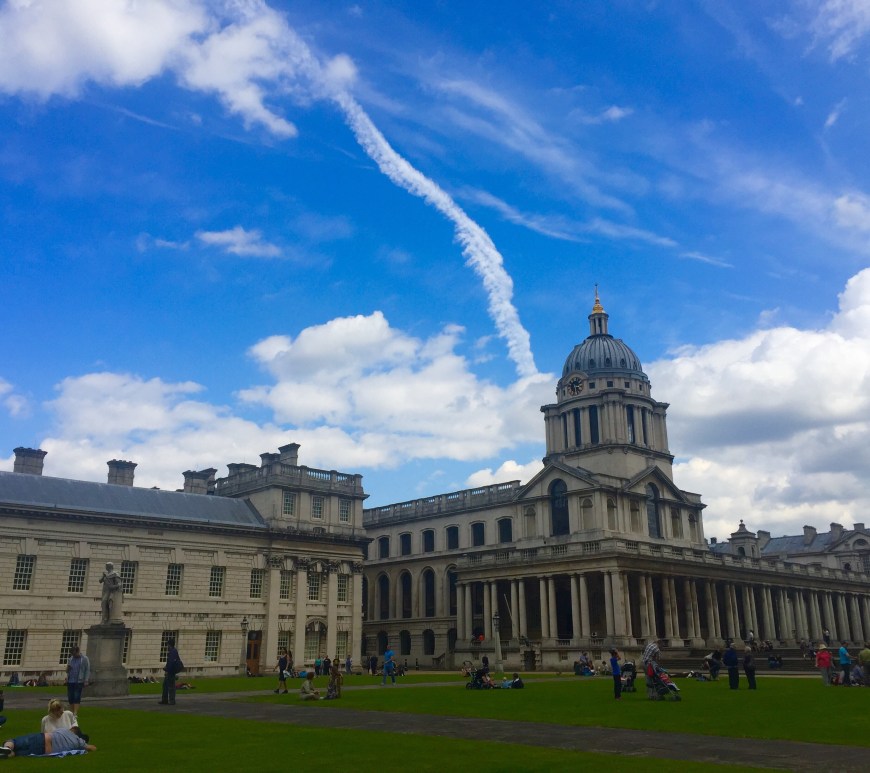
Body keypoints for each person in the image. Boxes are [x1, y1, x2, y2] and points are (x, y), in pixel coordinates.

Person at [0, 728, 96, 758]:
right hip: (44, 751)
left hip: (42, 739)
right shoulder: (79, 742)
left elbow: (50, 731)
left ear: (73, 731)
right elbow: (92, 748)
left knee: (14, 742)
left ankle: (7, 748)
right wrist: (84, 746)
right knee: (17, 753)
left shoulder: (64, 730)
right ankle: (7, 755)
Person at [65, 646, 90, 718]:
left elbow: (87, 670)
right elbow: (67, 671)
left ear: (78, 651)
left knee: (76, 696)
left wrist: (86, 680)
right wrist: (68, 669)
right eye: (72, 654)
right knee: (70, 697)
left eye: (74, 654)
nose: (73, 655)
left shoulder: (84, 659)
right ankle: (71, 712)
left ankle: (75, 713)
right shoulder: (70, 659)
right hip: (70, 680)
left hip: (79, 680)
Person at [160, 638, 183, 705]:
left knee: (171, 687)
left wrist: (167, 670)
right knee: (165, 685)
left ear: (169, 645)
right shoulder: (173, 651)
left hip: (171, 672)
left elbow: (171, 663)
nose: (167, 646)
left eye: (168, 644)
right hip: (171, 671)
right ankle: (165, 700)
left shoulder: (172, 652)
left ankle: (171, 701)